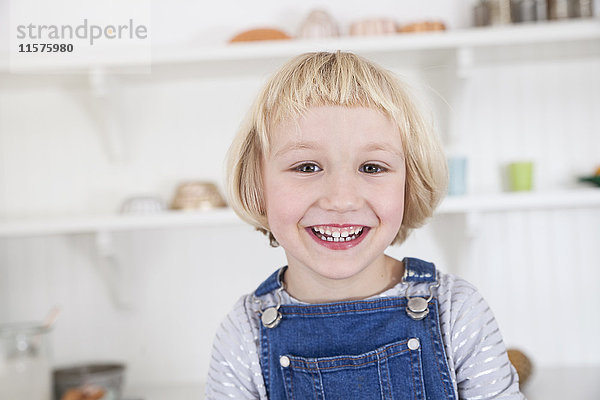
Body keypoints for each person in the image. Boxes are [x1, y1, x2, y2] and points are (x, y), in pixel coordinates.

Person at [206, 51, 524, 399]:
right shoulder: (244, 333)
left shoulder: (457, 311)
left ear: (409, 182)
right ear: (257, 184)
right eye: (307, 167)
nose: (341, 199)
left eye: (372, 168)